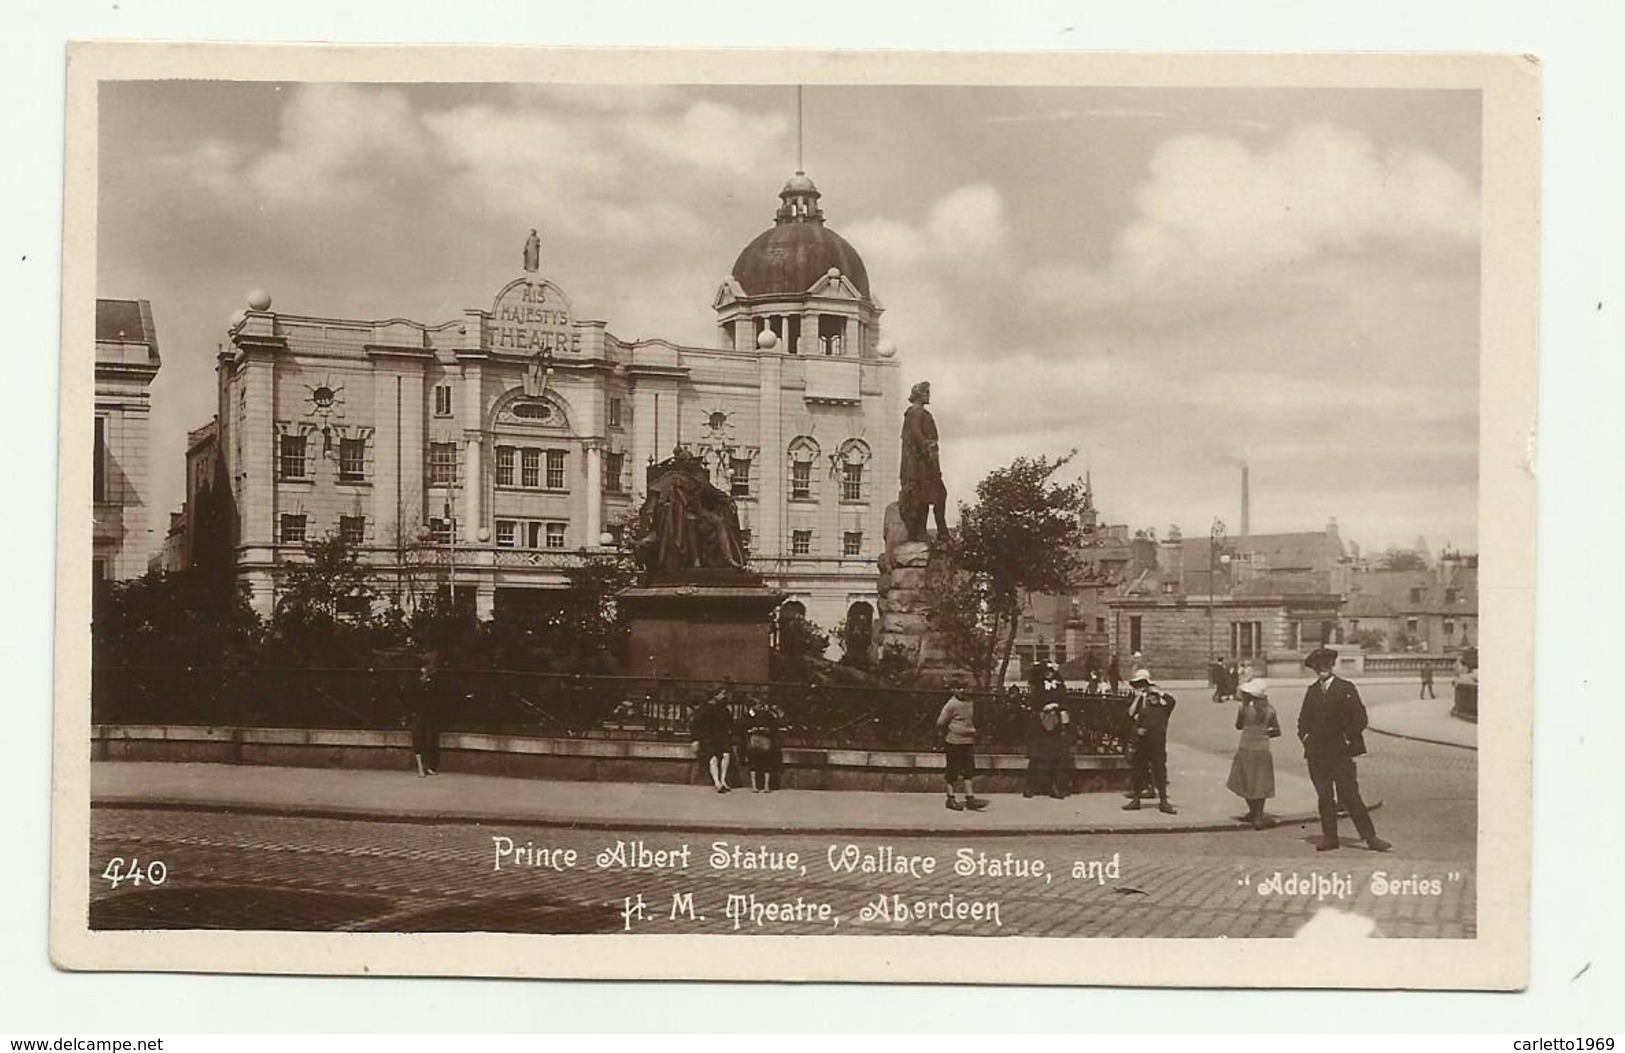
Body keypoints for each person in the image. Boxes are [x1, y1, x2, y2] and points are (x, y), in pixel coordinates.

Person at [1298, 647, 1392, 852]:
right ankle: (1330, 838)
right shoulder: (1312, 692)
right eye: (1318, 666)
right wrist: (1306, 738)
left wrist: (1347, 738)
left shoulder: (1346, 688)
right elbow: (1303, 721)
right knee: (1324, 797)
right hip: (1317, 755)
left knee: (1351, 796)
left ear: (1332, 666)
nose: (1322, 669)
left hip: (1340, 753)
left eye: (1325, 665)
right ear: (1314, 669)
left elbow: (1360, 718)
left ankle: (1370, 838)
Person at [1226, 677, 1281, 829]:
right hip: (1262, 749)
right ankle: (1258, 815)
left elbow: (1238, 726)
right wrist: (1266, 732)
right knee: (1260, 782)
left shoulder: (1243, 709)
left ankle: (1253, 811)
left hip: (1245, 747)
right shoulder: (1270, 710)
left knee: (1245, 779)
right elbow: (1277, 731)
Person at [899, 380, 951, 542]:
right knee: (937, 495)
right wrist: (927, 449)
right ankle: (940, 532)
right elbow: (916, 433)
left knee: (926, 498)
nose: (929, 396)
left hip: (925, 462)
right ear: (919, 395)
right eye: (926, 393)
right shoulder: (917, 412)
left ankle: (927, 532)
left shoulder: (916, 413)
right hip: (923, 464)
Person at [1121, 668, 1177, 814]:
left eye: (1153, 695)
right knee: (1138, 769)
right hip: (1142, 741)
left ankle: (1163, 801)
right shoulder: (1141, 703)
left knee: (1159, 770)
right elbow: (1130, 715)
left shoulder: (1162, 708)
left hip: (1157, 742)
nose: (1151, 697)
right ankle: (1136, 799)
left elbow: (1172, 701)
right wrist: (1139, 698)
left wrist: (1159, 692)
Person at [936, 679, 989, 811]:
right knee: (952, 770)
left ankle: (970, 798)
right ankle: (950, 798)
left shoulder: (970, 702)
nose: (961, 690)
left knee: (969, 770)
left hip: (968, 741)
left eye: (963, 688)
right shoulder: (951, 704)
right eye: (958, 688)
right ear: (953, 690)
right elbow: (940, 722)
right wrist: (954, 729)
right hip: (954, 742)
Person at [690, 682, 736, 793]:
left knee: (726, 755)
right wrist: (695, 739)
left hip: (721, 735)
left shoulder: (723, 708)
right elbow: (695, 724)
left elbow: (730, 722)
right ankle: (717, 782)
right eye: (722, 693)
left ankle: (723, 780)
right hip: (708, 736)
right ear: (715, 695)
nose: (724, 696)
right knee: (713, 758)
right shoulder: (704, 708)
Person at [742, 695, 785, 793]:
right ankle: (754, 785)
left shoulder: (767, 715)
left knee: (766, 761)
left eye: (761, 705)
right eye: (758, 705)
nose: (760, 707)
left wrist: (766, 730)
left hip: (765, 739)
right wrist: (750, 730)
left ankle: (766, 785)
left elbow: (774, 727)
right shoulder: (747, 716)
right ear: (752, 706)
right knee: (753, 761)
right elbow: (743, 728)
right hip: (754, 739)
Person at [410, 657, 443, 778]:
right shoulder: (416, 681)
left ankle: (428, 766)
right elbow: (413, 697)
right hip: (419, 713)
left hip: (430, 713)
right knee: (419, 738)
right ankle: (420, 767)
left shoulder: (433, 681)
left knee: (430, 739)